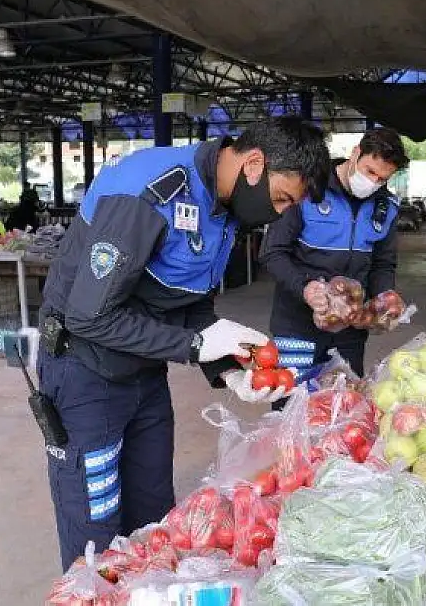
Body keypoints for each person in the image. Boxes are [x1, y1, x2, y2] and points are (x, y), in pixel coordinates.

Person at [36, 116, 330, 569]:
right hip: (84, 372)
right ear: (254, 164)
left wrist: (228, 365)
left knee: (154, 514)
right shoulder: (148, 192)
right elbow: (89, 316)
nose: (278, 215)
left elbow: (189, 305)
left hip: (144, 370)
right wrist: (196, 346)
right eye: (280, 199)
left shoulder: (221, 209)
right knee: (95, 521)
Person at [259, 128, 408, 400]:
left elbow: (384, 264)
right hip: (296, 326)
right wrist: (305, 288)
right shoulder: (307, 188)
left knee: (345, 410)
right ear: (355, 153)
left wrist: (386, 299)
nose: (374, 182)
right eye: (370, 171)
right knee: (290, 406)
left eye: (382, 178)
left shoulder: (385, 207)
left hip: (349, 332)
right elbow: (273, 253)